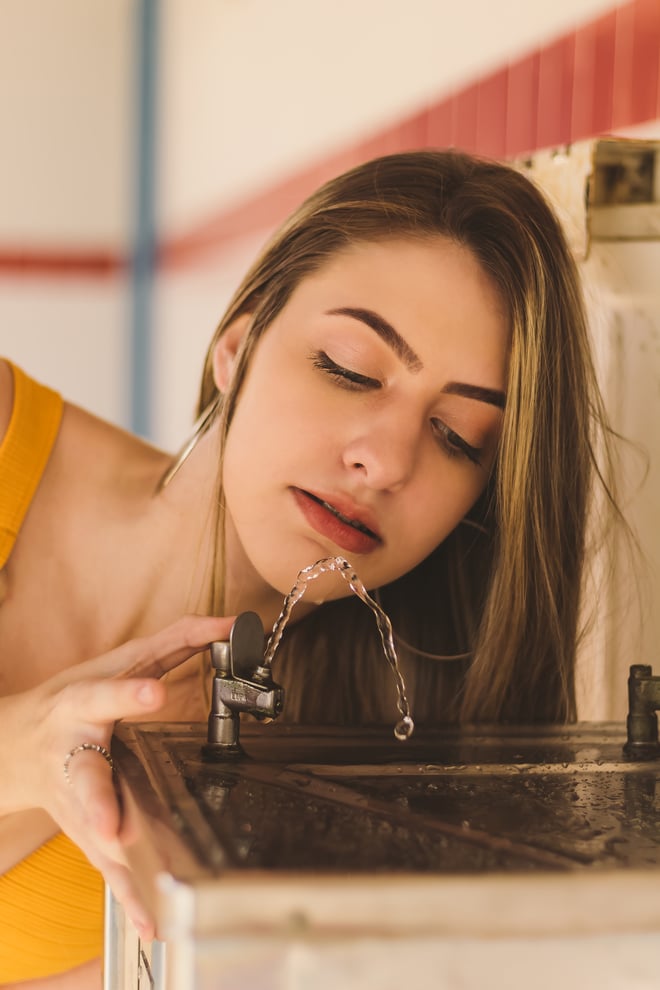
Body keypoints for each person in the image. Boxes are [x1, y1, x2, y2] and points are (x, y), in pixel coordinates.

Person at [0, 149, 623, 987]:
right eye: (350, 369)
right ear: (238, 344)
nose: (387, 460)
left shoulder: (320, 780)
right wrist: (23, 752)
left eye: (457, 438)